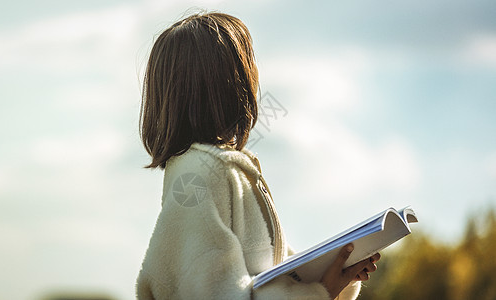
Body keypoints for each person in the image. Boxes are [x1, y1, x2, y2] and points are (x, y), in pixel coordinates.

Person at [136, 11, 380, 299]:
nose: (255, 73)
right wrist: (320, 292)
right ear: (227, 84)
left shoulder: (228, 171)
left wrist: (337, 275)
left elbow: (274, 273)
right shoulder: (199, 176)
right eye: (247, 63)